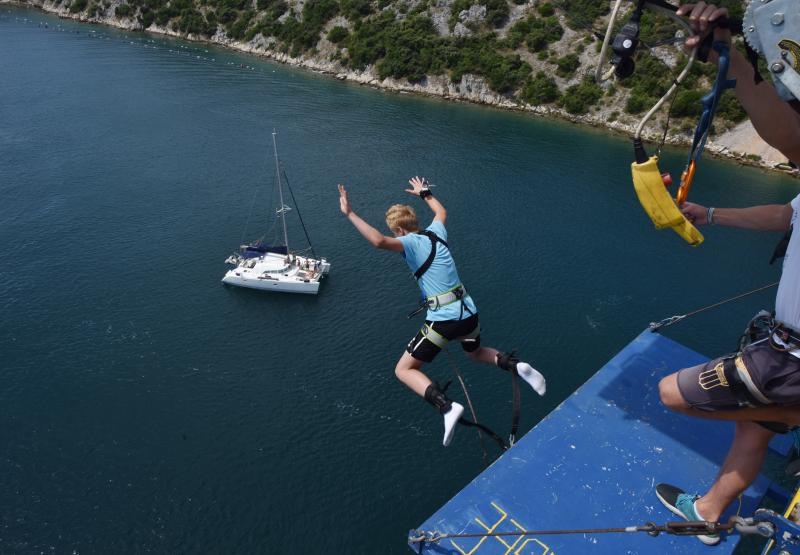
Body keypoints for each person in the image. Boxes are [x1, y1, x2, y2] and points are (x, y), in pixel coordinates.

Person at [654, 1, 800, 545]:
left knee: (673, 393)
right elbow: (787, 214)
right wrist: (710, 214)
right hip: (786, 347)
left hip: (792, 361)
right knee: (751, 424)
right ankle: (710, 512)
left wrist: (733, 62)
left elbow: (793, 140)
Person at [337, 176, 546, 447]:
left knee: (403, 369)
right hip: (469, 313)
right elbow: (441, 212)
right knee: (475, 353)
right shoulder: (436, 232)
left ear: (400, 229)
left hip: (444, 319)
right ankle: (515, 365)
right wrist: (424, 193)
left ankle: (447, 407)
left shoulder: (409, 242)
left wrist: (350, 213)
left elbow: (378, 241)